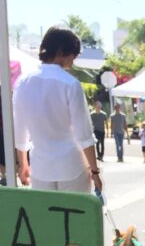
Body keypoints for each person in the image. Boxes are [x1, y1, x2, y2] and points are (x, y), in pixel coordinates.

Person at [13, 26, 102, 195]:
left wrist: (23, 163)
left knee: (46, 219)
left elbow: (20, 130)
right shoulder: (70, 84)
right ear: (62, 51)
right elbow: (83, 134)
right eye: (73, 55)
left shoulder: (22, 83)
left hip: (40, 167)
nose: (73, 60)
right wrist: (95, 170)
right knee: (75, 219)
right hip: (72, 166)